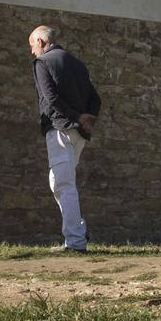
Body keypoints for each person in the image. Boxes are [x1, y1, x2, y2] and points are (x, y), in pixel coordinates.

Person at [28, 22, 102, 252]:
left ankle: (76, 242)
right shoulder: (77, 63)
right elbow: (95, 98)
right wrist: (88, 118)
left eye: (32, 46)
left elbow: (50, 98)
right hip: (78, 134)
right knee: (58, 182)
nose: (32, 51)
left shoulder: (43, 62)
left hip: (60, 128)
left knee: (64, 183)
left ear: (40, 42)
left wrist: (78, 117)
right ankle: (79, 228)